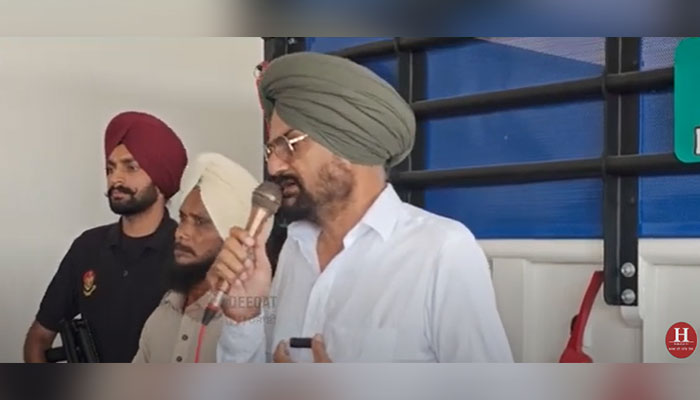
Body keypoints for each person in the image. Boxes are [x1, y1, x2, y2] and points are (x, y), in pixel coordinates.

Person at [208, 52, 513, 363]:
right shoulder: (295, 249)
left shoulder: (442, 251)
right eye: (271, 150)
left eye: (289, 145)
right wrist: (244, 316)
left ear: (345, 146)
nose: (274, 166)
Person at [24, 111, 188, 363]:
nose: (115, 178)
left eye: (130, 167)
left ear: (161, 180)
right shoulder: (87, 247)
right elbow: (39, 338)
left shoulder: (187, 253)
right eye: (110, 168)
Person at [133, 153, 258, 363]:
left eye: (200, 222)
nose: (181, 233)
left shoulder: (248, 323)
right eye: (182, 218)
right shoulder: (164, 312)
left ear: (234, 237)